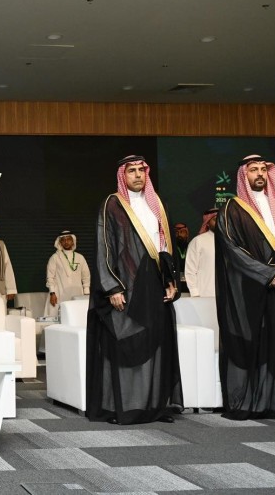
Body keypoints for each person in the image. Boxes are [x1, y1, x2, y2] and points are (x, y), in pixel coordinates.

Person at [87, 155, 183, 425]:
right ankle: (121, 408)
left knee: (156, 342)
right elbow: (104, 245)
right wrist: (112, 287)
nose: (138, 175)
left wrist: (171, 280)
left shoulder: (157, 204)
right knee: (125, 344)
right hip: (126, 285)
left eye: (142, 170)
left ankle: (154, 406)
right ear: (123, 175)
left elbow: (165, 246)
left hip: (155, 283)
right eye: (132, 171)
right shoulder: (113, 204)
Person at [214, 154, 275, 420]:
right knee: (255, 345)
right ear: (244, 175)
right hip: (249, 291)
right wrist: (266, 273)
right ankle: (249, 403)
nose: (260, 174)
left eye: (263, 169)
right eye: (253, 170)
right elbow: (232, 250)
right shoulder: (232, 209)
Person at [46, 230, 90, 311]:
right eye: (63, 240)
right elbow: (50, 277)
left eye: (68, 239)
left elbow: (86, 276)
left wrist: (86, 293)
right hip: (59, 294)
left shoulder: (80, 257)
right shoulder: (55, 257)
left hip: (78, 294)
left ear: (73, 241)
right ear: (60, 243)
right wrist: (52, 293)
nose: (66, 242)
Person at [184, 209, 219, 297]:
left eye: (222, 219)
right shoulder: (198, 241)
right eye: (215, 219)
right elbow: (190, 270)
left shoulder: (231, 242)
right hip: (205, 295)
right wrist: (195, 293)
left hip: (228, 297)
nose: (219, 222)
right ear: (207, 222)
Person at [173, 222, 191, 293]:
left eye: (182, 232)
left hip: (190, 284)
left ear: (187, 234)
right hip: (175, 284)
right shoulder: (169, 248)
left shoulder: (191, 247)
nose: (179, 234)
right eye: (176, 232)